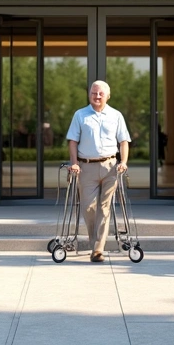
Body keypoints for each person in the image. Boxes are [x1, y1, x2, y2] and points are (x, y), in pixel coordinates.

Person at [67, 80, 131, 263]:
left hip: (110, 167)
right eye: (94, 93)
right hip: (86, 167)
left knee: (104, 207)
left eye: (101, 93)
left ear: (108, 96)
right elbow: (73, 141)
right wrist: (74, 163)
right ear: (89, 95)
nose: (97, 96)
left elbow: (124, 141)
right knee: (88, 208)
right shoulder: (80, 115)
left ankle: (97, 248)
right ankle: (94, 241)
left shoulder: (116, 115)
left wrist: (124, 162)